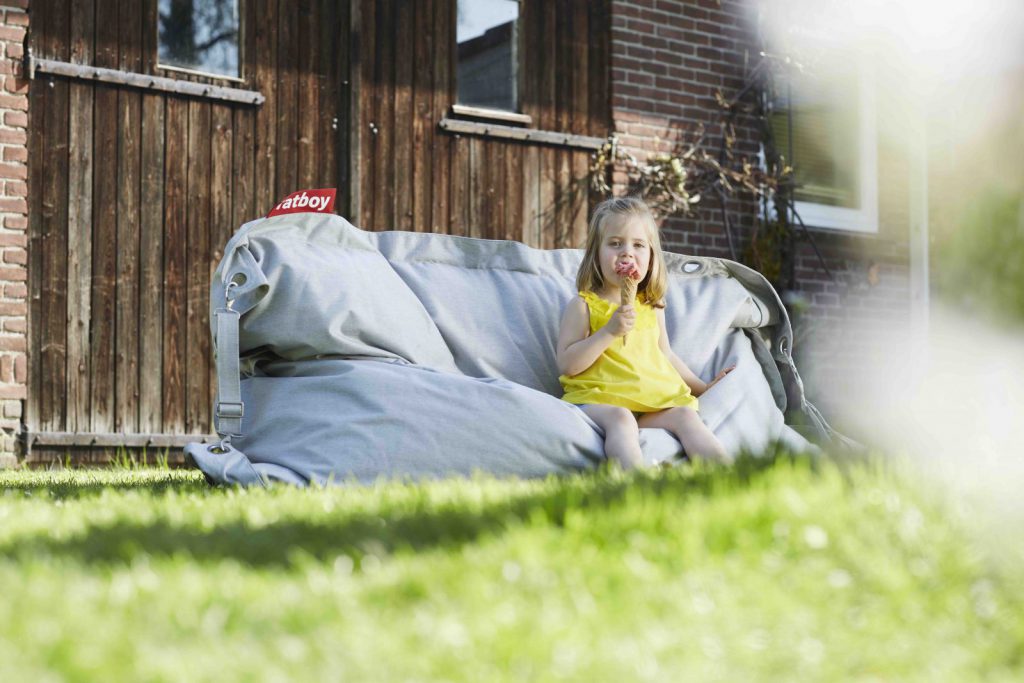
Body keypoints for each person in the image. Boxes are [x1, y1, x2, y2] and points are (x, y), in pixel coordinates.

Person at [556, 197, 734, 469]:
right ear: (596, 253)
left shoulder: (651, 306)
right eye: (615, 243)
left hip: (649, 402)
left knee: (686, 416)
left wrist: (704, 388)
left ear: (651, 257)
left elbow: (666, 355)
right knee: (622, 419)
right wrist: (608, 332)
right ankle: (635, 483)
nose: (627, 253)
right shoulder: (583, 305)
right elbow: (568, 364)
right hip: (600, 399)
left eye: (638, 245)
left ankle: (728, 476)